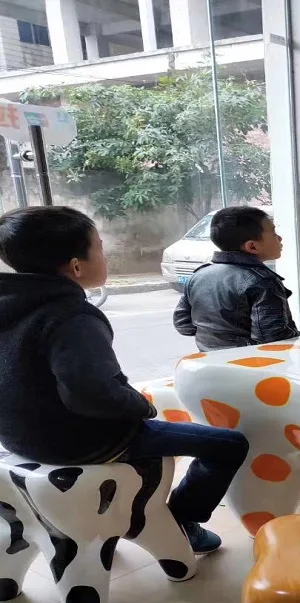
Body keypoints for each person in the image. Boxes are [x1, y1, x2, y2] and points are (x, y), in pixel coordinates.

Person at [0, 206, 249, 554]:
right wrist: (142, 407)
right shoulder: (71, 317)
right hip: (80, 442)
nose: (105, 256)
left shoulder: (10, 305)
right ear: (76, 266)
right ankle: (180, 522)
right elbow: (92, 394)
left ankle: (108, 519)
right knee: (229, 444)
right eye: (100, 248)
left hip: (18, 439)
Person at [173, 206, 300, 351]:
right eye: (273, 233)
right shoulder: (263, 281)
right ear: (252, 246)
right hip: (251, 362)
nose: (280, 238)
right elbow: (273, 337)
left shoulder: (198, 276)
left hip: (208, 361)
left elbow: (183, 325)